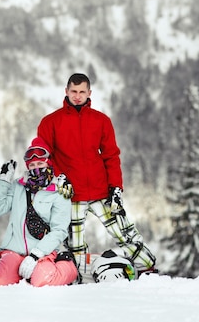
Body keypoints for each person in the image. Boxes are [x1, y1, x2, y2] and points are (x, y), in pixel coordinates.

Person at [37, 73, 157, 275]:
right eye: (73, 91)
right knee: (75, 244)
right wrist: (58, 178)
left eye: (82, 92)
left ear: (89, 93)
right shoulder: (50, 122)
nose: (77, 96)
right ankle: (78, 277)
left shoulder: (101, 121)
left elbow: (111, 156)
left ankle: (148, 268)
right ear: (66, 91)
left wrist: (116, 188)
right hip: (71, 194)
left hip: (101, 191)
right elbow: (44, 157)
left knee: (124, 232)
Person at [0, 136, 79, 287]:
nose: (36, 167)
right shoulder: (18, 186)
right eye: (32, 165)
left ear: (48, 163)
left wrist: (36, 254)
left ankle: (68, 266)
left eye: (40, 163)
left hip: (43, 253)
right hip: (14, 251)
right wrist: (3, 181)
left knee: (41, 280)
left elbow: (59, 230)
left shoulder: (59, 191)